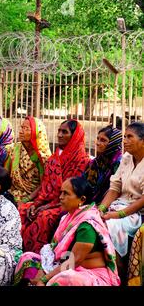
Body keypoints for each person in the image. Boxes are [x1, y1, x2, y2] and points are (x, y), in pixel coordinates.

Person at [14, 177, 120, 286]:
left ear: (82, 200)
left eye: (66, 194)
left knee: (64, 278)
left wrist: (44, 278)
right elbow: (54, 251)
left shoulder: (87, 226)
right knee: (26, 258)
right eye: (61, 193)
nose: (60, 197)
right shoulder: (68, 217)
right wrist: (43, 269)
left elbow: (73, 262)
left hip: (88, 274)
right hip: (62, 265)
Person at [20, 119, 90, 253]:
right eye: (59, 131)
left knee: (44, 218)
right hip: (47, 201)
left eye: (65, 132)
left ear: (75, 135)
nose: (60, 135)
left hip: (67, 203)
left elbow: (72, 191)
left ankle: (37, 256)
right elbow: (45, 186)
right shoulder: (53, 159)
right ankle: (17, 252)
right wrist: (36, 204)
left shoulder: (82, 160)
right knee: (23, 210)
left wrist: (46, 206)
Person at [98, 122, 144, 278]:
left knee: (111, 225)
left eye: (130, 136)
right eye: (124, 136)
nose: (124, 140)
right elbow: (114, 188)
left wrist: (118, 215)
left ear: (143, 141)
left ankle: (117, 271)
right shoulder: (126, 158)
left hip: (137, 212)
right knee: (90, 217)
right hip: (118, 206)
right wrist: (101, 209)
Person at [4, 116, 51, 205]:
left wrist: (25, 200)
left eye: (26, 129)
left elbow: (43, 184)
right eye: (21, 127)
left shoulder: (42, 157)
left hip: (32, 197)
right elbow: (5, 174)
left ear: (36, 132)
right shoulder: (14, 149)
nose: (21, 131)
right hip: (12, 193)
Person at [83, 126, 122, 204]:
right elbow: (84, 183)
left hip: (110, 204)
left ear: (113, 143)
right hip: (89, 202)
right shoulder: (95, 162)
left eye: (103, 140)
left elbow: (116, 190)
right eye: (98, 139)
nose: (97, 143)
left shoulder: (119, 164)